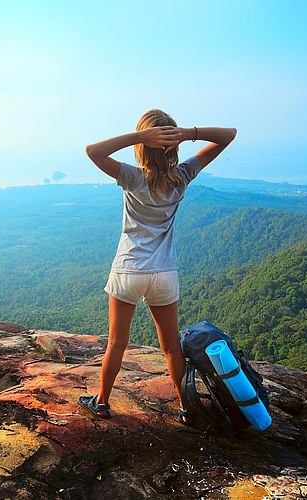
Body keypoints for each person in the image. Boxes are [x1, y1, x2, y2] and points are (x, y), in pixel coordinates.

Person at [78, 109, 236, 422]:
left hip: (128, 269)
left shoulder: (132, 177)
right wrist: (190, 132)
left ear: (143, 147)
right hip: (164, 273)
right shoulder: (183, 175)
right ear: (174, 147)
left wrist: (140, 136)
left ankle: (102, 402)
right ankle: (186, 408)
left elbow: (92, 151)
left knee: (117, 343)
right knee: (170, 347)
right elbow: (228, 135)